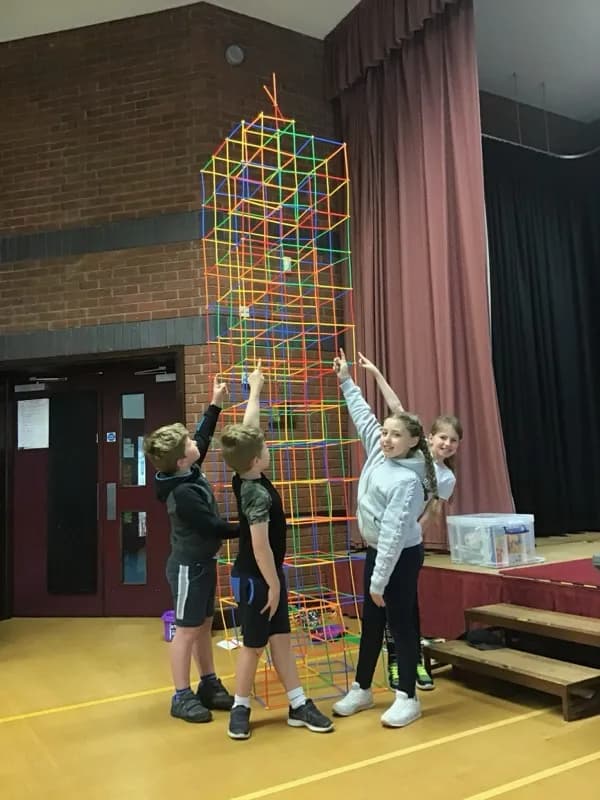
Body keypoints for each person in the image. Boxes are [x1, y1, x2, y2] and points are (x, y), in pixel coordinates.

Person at [220, 361, 334, 740]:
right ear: (256, 459)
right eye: (265, 447)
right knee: (253, 647)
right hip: (257, 579)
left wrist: (255, 389)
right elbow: (260, 546)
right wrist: (272, 584)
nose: (267, 446)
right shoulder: (254, 493)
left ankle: (298, 704)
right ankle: (239, 708)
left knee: (281, 639)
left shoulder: (244, 473)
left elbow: (249, 428)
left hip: (268, 578)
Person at [331, 348, 436, 727]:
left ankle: (408, 697)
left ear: (413, 442)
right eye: (386, 432)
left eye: (395, 435)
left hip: (400, 557)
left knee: (400, 623)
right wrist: (346, 380)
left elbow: (393, 534)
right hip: (379, 552)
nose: (386, 439)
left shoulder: (407, 480)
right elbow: (363, 416)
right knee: (372, 622)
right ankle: (362, 688)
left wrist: (378, 581)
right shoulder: (381, 452)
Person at [357, 351, 463, 690]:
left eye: (453, 441)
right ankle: (394, 663)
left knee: (406, 607)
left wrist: (411, 538)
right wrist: (376, 374)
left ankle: (414, 663)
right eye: (442, 437)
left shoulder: (445, 478)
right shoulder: (412, 454)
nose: (447, 444)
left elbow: (431, 512)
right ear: (427, 438)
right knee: (383, 610)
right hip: (391, 540)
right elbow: (397, 407)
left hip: (407, 544)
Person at [143, 376, 239, 723]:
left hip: (203, 562)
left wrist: (215, 403)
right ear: (183, 460)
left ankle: (208, 683)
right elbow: (213, 527)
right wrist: (253, 526)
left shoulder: (183, 471)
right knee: (186, 629)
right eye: (187, 444)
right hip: (188, 567)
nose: (194, 443)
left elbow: (203, 437)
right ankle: (181, 695)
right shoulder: (182, 493)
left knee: (203, 624)